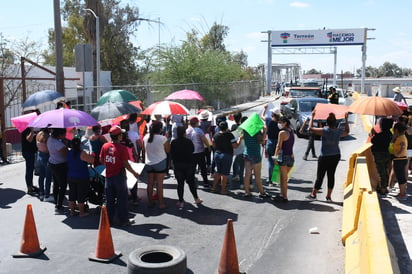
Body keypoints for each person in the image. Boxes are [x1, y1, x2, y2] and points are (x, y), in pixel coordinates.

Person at [100, 125, 140, 226]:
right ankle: (124, 220)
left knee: (110, 200)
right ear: (119, 136)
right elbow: (126, 164)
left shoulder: (105, 146)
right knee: (122, 199)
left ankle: (109, 220)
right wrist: (135, 173)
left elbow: (101, 160)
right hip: (119, 176)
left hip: (108, 176)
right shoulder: (122, 148)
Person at [306, 111, 349, 202]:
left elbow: (310, 128)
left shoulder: (325, 131)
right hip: (336, 155)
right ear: (335, 123)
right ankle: (328, 196)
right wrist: (346, 119)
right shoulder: (338, 131)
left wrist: (312, 117)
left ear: (327, 123)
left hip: (325, 156)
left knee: (320, 176)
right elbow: (347, 131)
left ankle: (313, 194)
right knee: (331, 175)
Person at [171, 126, 202, 208]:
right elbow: (192, 150)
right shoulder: (188, 142)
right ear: (184, 133)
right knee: (191, 183)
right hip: (188, 164)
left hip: (178, 165)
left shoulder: (173, 142)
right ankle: (196, 198)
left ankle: (181, 201)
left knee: (180, 184)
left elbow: (171, 153)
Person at [142, 120, 170, 209]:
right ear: (160, 129)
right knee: (159, 184)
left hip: (149, 163)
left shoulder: (145, 137)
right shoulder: (163, 138)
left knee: (150, 183)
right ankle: (161, 203)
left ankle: (150, 202)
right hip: (160, 162)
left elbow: (143, 150)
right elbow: (168, 150)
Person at [241, 115, 269, 198]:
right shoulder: (256, 131)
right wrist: (264, 131)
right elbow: (261, 141)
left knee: (247, 174)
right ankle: (262, 192)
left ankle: (247, 192)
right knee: (257, 175)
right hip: (255, 155)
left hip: (247, 154)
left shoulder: (245, 129)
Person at [67, 136, 95, 216]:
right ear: (80, 145)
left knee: (72, 194)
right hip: (82, 176)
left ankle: (72, 211)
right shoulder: (82, 153)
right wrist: (91, 155)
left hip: (71, 175)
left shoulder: (68, 152)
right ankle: (81, 212)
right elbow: (91, 161)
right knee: (81, 195)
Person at [211, 121, 239, 194]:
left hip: (217, 154)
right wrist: (240, 139)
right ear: (227, 127)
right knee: (225, 173)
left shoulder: (215, 135)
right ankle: (223, 190)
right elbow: (235, 146)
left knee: (218, 172)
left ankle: (213, 188)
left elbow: (213, 145)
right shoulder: (230, 135)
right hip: (227, 155)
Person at [272, 116, 295, 202]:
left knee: (283, 178)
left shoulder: (281, 133)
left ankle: (284, 196)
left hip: (284, 157)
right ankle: (282, 194)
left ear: (285, 123)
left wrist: (275, 157)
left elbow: (278, 146)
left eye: (280, 122)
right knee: (284, 178)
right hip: (291, 157)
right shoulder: (291, 130)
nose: (279, 124)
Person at [370, 118, 393, 195]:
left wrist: (372, 135)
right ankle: (385, 187)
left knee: (381, 172)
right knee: (385, 171)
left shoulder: (381, 135)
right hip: (387, 154)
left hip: (379, 154)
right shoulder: (390, 134)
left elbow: (374, 141)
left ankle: (383, 188)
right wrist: (375, 133)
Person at [186, 117, 211, 187]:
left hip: (190, 152)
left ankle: (191, 181)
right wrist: (208, 147)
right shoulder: (199, 130)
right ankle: (205, 182)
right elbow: (204, 139)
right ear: (196, 123)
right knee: (203, 167)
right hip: (199, 151)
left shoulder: (187, 130)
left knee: (192, 168)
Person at [47, 128, 68, 212]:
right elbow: (66, 154)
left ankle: (56, 202)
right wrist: (65, 145)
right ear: (60, 134)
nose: (65, 136)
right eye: (64, 134)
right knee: (63, 185)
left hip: (52, 163)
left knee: (56, 184)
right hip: (60, 166)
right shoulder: (59, 144)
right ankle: (59, 205)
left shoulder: (50, 139)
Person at [261, 105, 281, 184]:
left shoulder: (269, 120)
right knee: (276, 160)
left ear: (273, 114)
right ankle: (276, 178)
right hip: (278, 143)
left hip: (270, 142)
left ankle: (270, 179)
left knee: (270, 161)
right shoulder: (280, 123)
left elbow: (262, 116)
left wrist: (265, 109)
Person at [389, 123, 408, 200]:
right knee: (401, 176)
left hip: (400, 159)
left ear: (396, 130)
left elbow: (403, 146)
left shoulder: (401, 138)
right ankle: (402, 193)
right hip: (400, 159)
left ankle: (402, 194)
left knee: (400, 177)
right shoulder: (401, 137)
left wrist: (398, 154)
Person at [36, 128, 52, 201]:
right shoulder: (47, 137)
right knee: (48, 176)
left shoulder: (39, 134)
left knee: (41, 176)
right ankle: (47, 195)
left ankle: (41, 193)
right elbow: (50, 148)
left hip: (40, 155)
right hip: (46, 156)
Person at [22, 126, 37, 194]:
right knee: (29, 170)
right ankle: (29, 188)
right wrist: (32, 131)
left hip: (30, 152)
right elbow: (29, 139)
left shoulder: (28, 129)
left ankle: (30, 185)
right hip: (28, 152)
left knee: (30, 169)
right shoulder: (27, 129)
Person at [231, 112, 245, 185]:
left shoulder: (233, 126)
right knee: (241, 163)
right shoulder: (242, 127)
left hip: (234, 145)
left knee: (236, 161)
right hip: (241, 146)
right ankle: (240, 177)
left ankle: (235, 174)